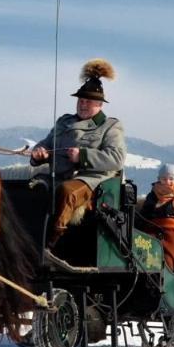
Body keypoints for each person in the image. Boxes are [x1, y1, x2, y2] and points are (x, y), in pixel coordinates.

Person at [30, 59, 127, 250]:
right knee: (29, 189)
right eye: (80, 100)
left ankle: (51, 244)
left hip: (90, 180)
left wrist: (83, 156)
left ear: (99, 104)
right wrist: (39, 153)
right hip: (56, 176)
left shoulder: (110, 126)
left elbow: (117, 158)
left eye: (88, 101)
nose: (82, 105)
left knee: (67, 191)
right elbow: (47, 144)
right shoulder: (64, 122)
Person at [137, 163, 174, 271]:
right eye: (164, 179)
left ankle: (168, 270)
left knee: (170, 245)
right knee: (146, 243)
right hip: (154, 225)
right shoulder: (154, 193)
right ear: (159, 179)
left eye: (171, 179)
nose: (167, 182)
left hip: (173, 228)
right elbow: (145, 211)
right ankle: (146, 269)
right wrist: (138, 226)